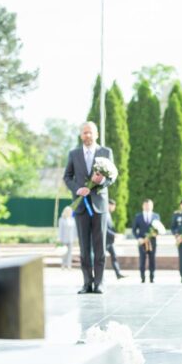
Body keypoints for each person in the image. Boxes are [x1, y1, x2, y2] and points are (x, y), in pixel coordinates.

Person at [63, 121, 116, 294]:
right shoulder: (73, 154)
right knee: (84, 248)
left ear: (96, 134)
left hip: (99, 206)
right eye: (84, 133)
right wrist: (77, 189)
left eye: (90, 132)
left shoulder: (106, 152)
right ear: (81, 135)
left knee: (100, 247)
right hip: (81, 207)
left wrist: (102, 182)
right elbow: (67, 177)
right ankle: (87, 283)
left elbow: (112, 177)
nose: (87, 135)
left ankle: (100, 283)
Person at [132, 199, 160, 283]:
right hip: (142, 241)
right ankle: (142, 277)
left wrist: (156, 234)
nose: (147, 207)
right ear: (143, 206)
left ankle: (152, 277)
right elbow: (134, 230)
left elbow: (158, 228)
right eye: (146, 205)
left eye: (149, 205)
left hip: (152, 241)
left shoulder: (156, 216)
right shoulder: (138, 216)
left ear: (152, 206)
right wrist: (138, 238)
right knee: (142, 259)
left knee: (152, 259)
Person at [105, 199, 125, 280]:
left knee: (114, 256)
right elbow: (104, 228)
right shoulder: (105, 214)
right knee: (101, 258)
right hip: (105, 241)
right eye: (113, 206)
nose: (114, 208)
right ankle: (100, 275)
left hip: (110, 241)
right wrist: (114, 235)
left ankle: (118, 273)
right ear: (109, 205)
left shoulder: (108, 214)